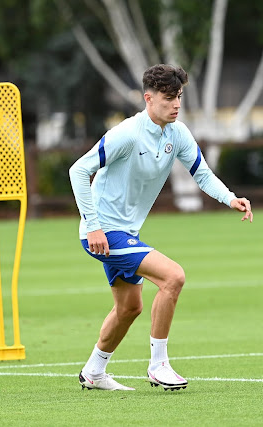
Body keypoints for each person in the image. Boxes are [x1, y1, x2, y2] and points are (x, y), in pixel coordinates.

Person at [69, 64, 253, 391]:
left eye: (179, 96)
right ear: (148, 99)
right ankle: (158, 366)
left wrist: (230, 199)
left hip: (125, 233)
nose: (176, 105)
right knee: (173, 276)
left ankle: (94, 372)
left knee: (130, 308)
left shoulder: (177, 132)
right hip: (102, 233)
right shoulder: (126, 133)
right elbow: (78, 171)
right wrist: (93, 225)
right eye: (169, 98)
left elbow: (202, 173)